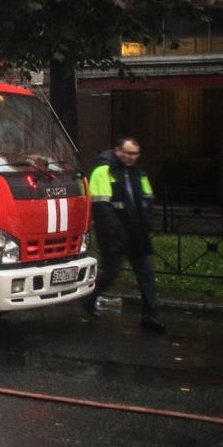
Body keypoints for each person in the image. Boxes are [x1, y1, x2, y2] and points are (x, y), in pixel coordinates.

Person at [88, 137, 164, 331]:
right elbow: (102, 206)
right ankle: (90, 299)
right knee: (111, 273)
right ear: (118, 151)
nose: (132, 157)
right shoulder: (103, 171)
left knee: (146, 275)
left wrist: (146, 223)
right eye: (128, 153)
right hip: (114, 235)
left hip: (137, 234)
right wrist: (117, 231)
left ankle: (150, 316)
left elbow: (147, 199)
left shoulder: (137, 173)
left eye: (135, 154)